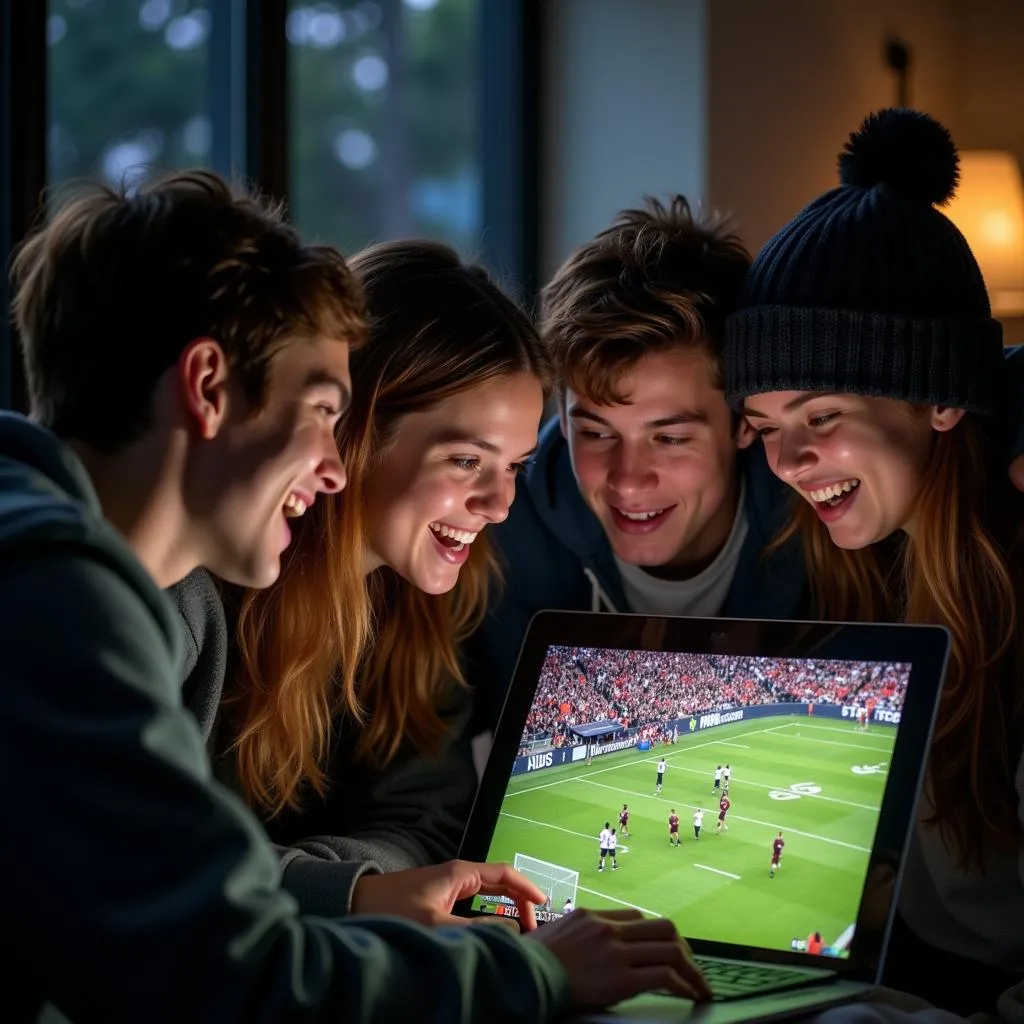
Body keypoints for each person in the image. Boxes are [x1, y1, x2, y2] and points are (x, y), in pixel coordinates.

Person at [1, 169, 710, 1020]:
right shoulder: (58, 592)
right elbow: (236, 974)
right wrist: (535, 975)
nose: (332, 468)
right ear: (209, 387)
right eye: (320, 412)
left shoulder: (54, 558)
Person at [725, 107, 1024, 1019]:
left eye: (821, 416)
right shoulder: (846, 545)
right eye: (767, 426)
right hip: (898, 966)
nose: (787, 462)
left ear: (939, 400)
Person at [171, 239, 549, 917]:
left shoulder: (422, 604)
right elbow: (149, 857)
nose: (500, 505)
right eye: (466, 461)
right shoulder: (191, 588)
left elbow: (424, 825)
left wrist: (337, 885)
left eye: (516, 465)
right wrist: (355, 890)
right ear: (354, 431)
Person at [461, 196, 808, 740]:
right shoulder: (498, 523)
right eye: (596, 433)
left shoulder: (817, 522)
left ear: (745, 422)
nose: (626, 479)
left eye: (669, 438)